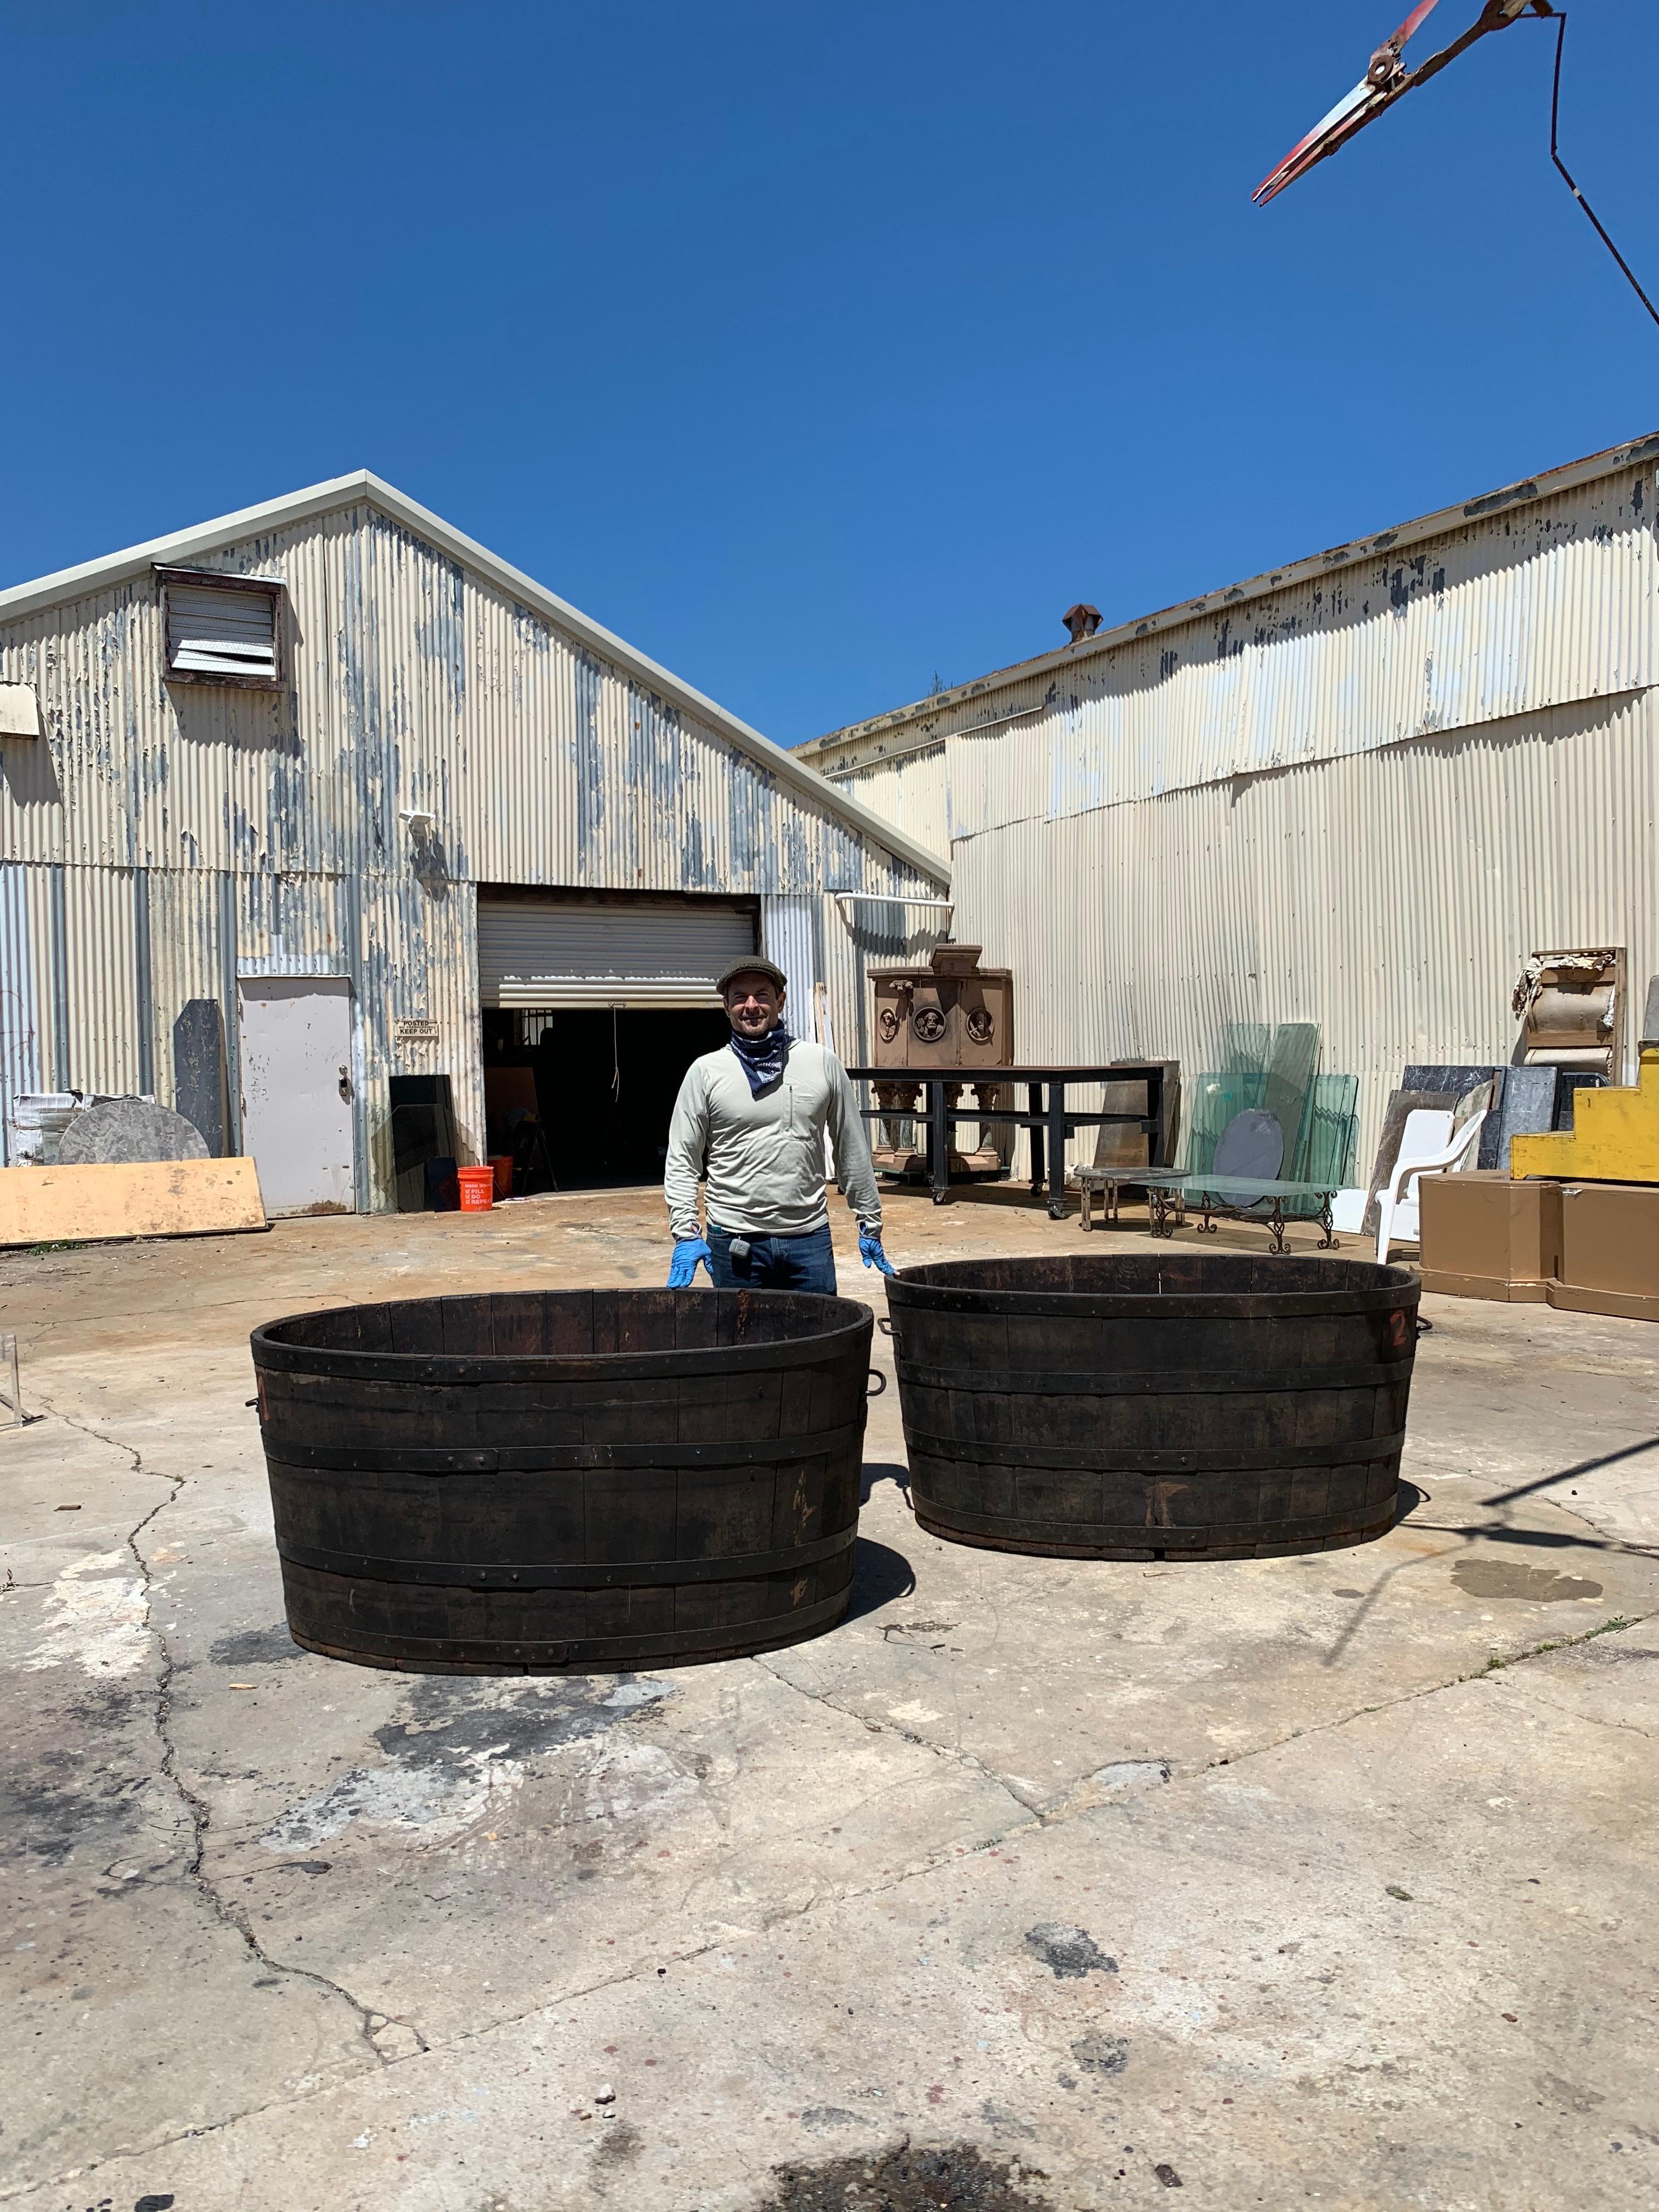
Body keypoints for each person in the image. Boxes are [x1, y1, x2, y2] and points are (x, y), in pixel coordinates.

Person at [664, 958, 895, 1291]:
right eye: (740, 997)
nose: (751, 1006)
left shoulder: (821, 1064)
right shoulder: (706, 1072)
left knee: (818, 1341)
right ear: (726, 1006)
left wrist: (869, 1221)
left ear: (781, 1001)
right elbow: (683, 1159)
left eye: (762, 995)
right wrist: (686, 1231)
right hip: (734, 1244)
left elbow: (851, 1149)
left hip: (808, 1242)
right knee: (741, 1343)